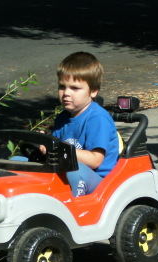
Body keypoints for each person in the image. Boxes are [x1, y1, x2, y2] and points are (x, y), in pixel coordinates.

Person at [48, 52, 119, 197]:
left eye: (75, 88)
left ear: (93, 91)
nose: (66, 93)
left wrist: (59, 149)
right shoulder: (63, 117)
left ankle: (71, 215)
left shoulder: (97, 118)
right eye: (62, 86)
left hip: (100, 182)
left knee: (76, 171)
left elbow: (95, 160)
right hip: (68, 170)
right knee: (19, 163)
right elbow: (53, 149)